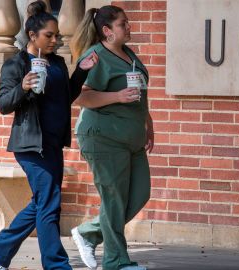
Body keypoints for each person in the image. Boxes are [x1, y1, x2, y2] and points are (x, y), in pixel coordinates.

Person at [0, 1, 98, 270]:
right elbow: (2, 105)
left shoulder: (56, 63)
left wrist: (81, 70)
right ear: (33, 36)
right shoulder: (16, 64)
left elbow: (66, 96)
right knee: (50, 204)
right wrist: (22, 86)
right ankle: (56, 264)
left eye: (56, 35)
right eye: (49, 36)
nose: (55, 40)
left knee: (42, 201)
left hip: (54, 144)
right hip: (32, 146)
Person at [69, 5, 154, 270]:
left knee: (139, 194)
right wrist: (117, 96)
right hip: (103, 137)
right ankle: (116, 262)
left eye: (127, 23)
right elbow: (80, 95)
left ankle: (89, 233)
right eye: (123, 24)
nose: (129, 27)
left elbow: (139, 92)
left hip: (132, 138)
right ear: (107, 31)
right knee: (114, 200)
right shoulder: (95, 56)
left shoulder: (128, 54)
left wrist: (148, 124)